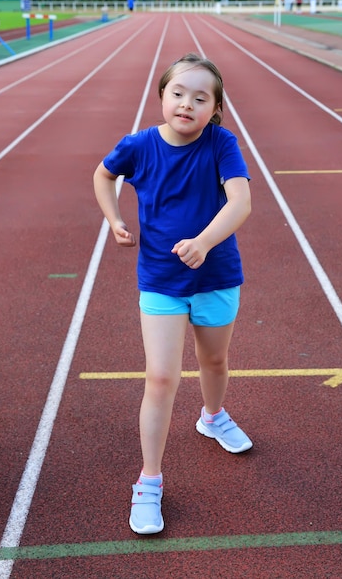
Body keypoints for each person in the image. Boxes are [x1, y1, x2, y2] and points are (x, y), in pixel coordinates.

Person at [93, 53, 253, 535]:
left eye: (201, 98)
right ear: (161, 97)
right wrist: (115, 219)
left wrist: (205, 243)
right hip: (161, 281)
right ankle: (149, 481)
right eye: (178, 93)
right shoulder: (138, 145)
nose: (187, 104)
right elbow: (103, 176)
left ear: (215, 108)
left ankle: (213, 416)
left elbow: (241, 200)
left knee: (215, 363)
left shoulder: (221, 144)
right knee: (160, 379)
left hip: (217, 276)